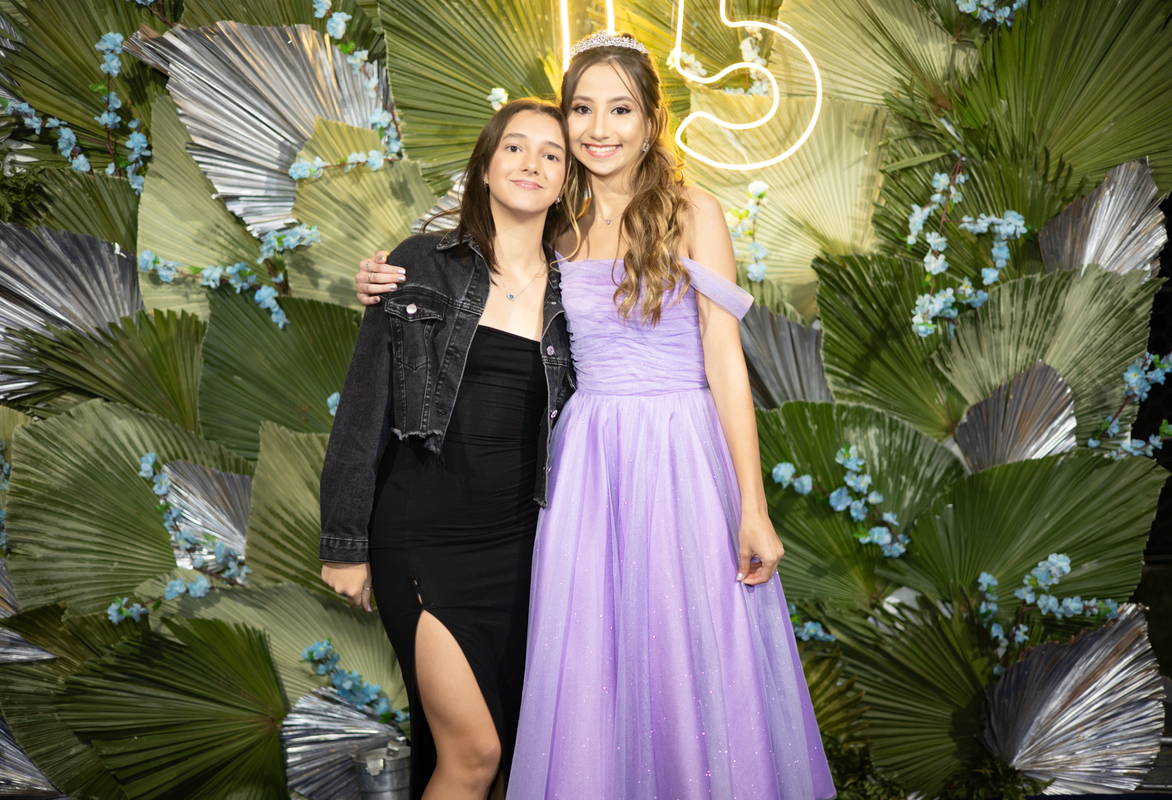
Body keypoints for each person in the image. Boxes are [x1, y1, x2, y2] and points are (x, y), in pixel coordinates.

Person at [355, 32, 834, 800]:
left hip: (680, 456)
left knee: (687, 658)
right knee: (596, 669)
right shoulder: (559, 221)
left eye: (620, 109)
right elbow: (470, 254)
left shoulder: (693, 212)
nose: (599, 128)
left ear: (652, 121)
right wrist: (386, 277)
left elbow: (725, 361)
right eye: (582, 109)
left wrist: (753, 506)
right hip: (586, 468)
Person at [319, 98, 577, 800]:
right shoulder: (420, 265)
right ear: (485, 167)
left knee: (516, 759)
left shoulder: (579, 293)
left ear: (565, 180)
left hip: (527, 548)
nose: (531, 163)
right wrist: (344, 542)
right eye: (515, 147)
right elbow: (365, 407)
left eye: (551, 154)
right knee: (474, 754)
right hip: (424, 538)